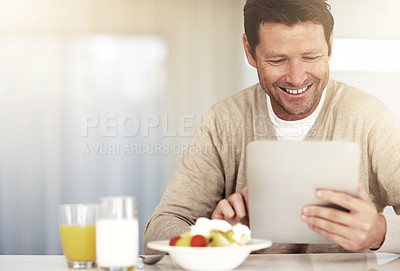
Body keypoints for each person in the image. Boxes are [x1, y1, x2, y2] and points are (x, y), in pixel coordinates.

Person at [143, 0, 400, 254]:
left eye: (311, 57)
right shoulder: (222, 122)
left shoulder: (372, 120)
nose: (297, 77)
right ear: (249, 50)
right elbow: (158, 231)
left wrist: (379, 231)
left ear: (330, 43)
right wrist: (214, 237)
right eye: (277, 60)